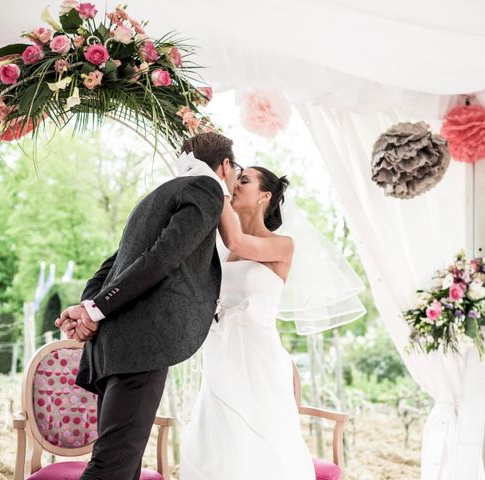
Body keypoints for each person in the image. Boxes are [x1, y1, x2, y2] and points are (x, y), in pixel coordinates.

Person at [55, 132, 239, 480]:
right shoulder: (206, 188)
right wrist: (95, 311)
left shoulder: (154, 197)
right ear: (225, 165)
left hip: (113, 345)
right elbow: (160, 260)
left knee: (123, 463)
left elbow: (114, 264)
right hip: (142, 343)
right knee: (113, 466)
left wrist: (89, 306)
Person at [180, 166, 316, 480]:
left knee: (263, 442)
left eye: (244, 180)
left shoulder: (282, 245)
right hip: (220, 352)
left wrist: (216, 187)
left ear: (265, 196)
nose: (235, 185)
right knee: (217, 441)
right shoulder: (221, 249)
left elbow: (240, 242)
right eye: (235, 178)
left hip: (258, 357)